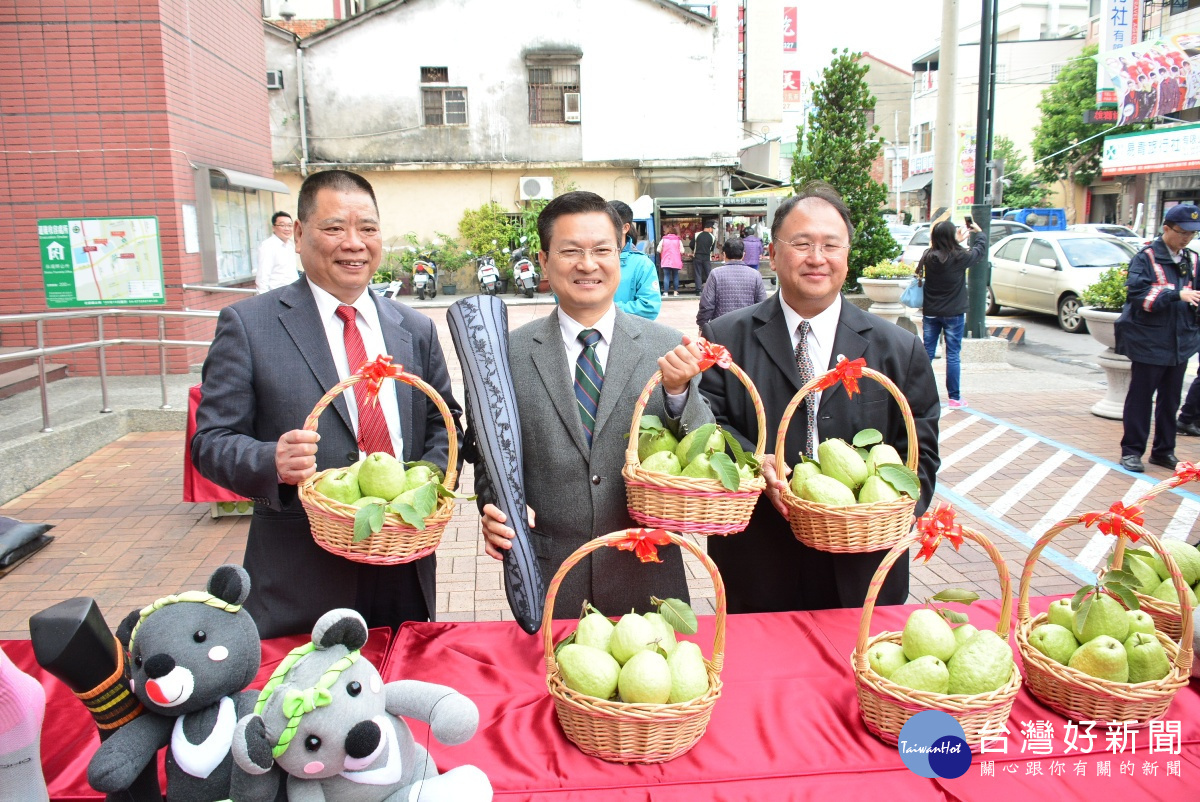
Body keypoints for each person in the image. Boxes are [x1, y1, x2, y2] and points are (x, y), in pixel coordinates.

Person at [192, 170, 462, 639]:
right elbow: (211, 441)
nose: (354, 243)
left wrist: (422, 490)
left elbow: (445, 424)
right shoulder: (250, 325)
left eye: (368, 229)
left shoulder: (414, 328)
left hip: (402, 565)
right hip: (301, 573)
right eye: (334, 227)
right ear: (298, 234)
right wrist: (269, 460)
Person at [698, 182, 940, 613]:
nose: (817, 258)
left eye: (831, 245)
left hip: (863, 568)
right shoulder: (725, 338)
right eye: (802, 243)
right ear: (772, 254)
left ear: (847, 256)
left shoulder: (897, 348)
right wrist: (756, 462)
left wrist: (883, 517)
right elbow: (710, 427)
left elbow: (919, 454)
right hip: (758, 562)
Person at [475, 191, 714, 616]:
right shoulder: (507, 357)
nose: (588, 264)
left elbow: (705, 451)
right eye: (570, 251)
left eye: (602, 250)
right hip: (549, 579)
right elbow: (490, 457)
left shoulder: (665, 346)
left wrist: (678, 393)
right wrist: (493, 507)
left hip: (648, 577)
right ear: (544, 260)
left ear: (619, 256)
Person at [1114, 204, 1200, 473]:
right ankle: (1131, 452)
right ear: (1166, 229)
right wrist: (1176, 294)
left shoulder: (1192, 259)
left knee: (1171, 399)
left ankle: (1164, 451)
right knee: (1140, 398)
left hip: (1180, 342)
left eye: (1192, 233)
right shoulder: (1146, 257)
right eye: (1182, 232)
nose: (1187, 238)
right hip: (1149, 340)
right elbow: (1137, 296)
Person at [917, 219, 986, 409]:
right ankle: (954, 398)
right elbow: (979, 251)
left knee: (927, 353)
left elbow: (942, 250)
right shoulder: (960, 256)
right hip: (954, 312)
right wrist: (977, 232)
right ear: (951, 237)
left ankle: (919, 394)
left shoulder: (928, 256)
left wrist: (955, 240)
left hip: (931, 311)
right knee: (953, 354)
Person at [696, 237, 767, 329]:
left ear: (724, 254)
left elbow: (706, 305)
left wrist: (702, 326)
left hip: (720, 329)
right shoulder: (755, 275)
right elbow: (763, 306)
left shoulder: (716, 274)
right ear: (743, 255)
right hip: (746, 330)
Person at [608, 200, 661, 320]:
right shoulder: (589, 260)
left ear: (625, 227)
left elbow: (649, 307)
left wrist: (604, 310)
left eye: (610, 224)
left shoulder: (642, 264)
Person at [255, 211, 300, 293]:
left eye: (290, 225)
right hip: (277, 294)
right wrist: (263, 301)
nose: (287, 229)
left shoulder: (290, 245)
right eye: (282, 225)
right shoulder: (268, 246)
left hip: (293, 292)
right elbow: (262, 277)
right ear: (273, 227)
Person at [657, 226, 683, 296]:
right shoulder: (678, 240)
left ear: (667, 232)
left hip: (666, 260)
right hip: (676, 261)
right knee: (675, 276)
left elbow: (658, 250)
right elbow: (682, 251)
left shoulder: (663, 240)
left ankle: (665, 292)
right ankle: (675, 292)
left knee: (666, 276)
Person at [691, 221, 715, 294]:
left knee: (698, 274)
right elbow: (712, 249)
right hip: (707, 258)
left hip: (697, 257)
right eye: (712, 229)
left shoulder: (697, 235)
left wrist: (695, 250)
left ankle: (698, 291)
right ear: (710, 228)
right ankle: (710, 290)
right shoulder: (712, 237)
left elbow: (691, 244)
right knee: (708, 274)